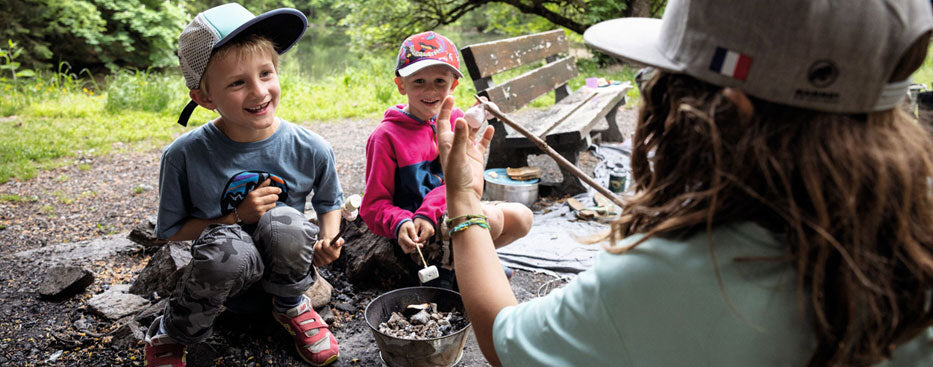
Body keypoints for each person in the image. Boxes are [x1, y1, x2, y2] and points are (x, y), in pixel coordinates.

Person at [434, 0, 933, 366]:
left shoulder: (673, 275)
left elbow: (504, 339)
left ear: (728, 112)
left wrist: (465, 199)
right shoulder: (917, 239)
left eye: (663, 81)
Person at [143, 3, 343, 366]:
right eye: (238, 82)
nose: (259, 91)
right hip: (220, 280)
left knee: (288, 222)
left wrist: (328, 239)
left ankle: (291, 306)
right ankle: (174, 330)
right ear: (204, 98)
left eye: (266, 73)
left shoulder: (311, 147)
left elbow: (330, 202)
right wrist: (236, 217)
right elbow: (171, 231)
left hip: (286, 275)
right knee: (228, 248)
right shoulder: (183, 156)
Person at [360, 31, 533, 288]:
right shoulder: (385, 137)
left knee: (522, 217)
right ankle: (458, 271)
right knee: (493, 220)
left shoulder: (456, 121)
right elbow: (373, 205)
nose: (430, 90)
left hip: (448, 209)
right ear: (401, 85)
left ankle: (466, 263)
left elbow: (460, 185)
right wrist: (399, 222)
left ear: (453, 85)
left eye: (440, 81)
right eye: (419, 81)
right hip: (418, 228)